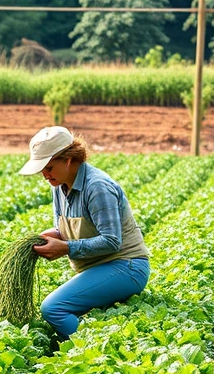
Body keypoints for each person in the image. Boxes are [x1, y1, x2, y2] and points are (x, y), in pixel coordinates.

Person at [19, 126, 150, 343]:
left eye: (49, 167)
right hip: (98, 267)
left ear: (68, 160)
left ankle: (94, 351)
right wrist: (41, 240)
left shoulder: (97, 187)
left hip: (126, 266)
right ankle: (74, 351)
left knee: (53, 308)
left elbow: (112, 241)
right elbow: (63, 231)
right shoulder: (59, 186)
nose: (45, 175)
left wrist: (66, 248)